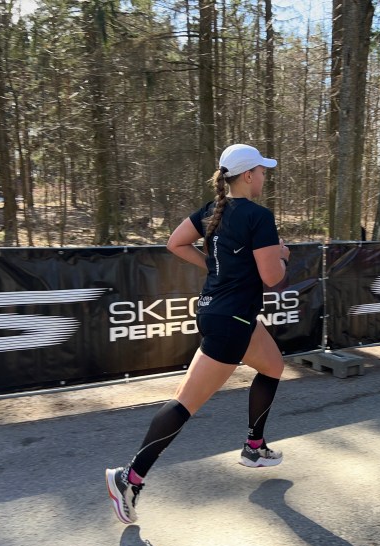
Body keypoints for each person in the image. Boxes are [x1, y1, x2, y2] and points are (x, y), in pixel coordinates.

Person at [106, 144, 290, 525]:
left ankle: (254, 446)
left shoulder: (211, 210)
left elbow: (175, 242)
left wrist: (214, 265)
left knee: (273, 366)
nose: (264, 176)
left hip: (220, 313)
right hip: (231, 322)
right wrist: (283, 255)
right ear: (248, 175)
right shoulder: (259, 216)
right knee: (184, 403)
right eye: (262, 170)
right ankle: (129, 478)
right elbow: (272, 277)